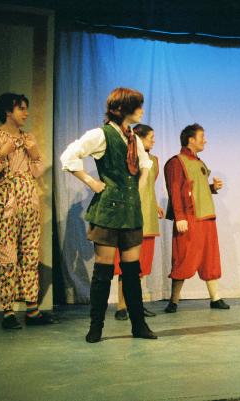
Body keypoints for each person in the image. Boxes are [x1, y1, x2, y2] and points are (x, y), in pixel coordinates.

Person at [60, 87, 157, 342]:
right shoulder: (102, 135)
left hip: (130, 212)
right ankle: (96, 327)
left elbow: (145, 165)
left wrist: (138, 190)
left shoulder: (133, 138)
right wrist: (91, 182)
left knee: (131, 271)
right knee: (103, 272)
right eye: (137, 106)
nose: (141, 110)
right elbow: (69, 156)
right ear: (122, 109)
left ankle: (139, 325)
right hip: (108, 211)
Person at [0, 93, 57, 329]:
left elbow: (37, 172)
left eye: (26, 108)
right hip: (4, 203)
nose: (26, 113)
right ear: (7, 111)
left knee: (30, 253)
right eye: (21, 108)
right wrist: (2, 153)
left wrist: (34, 154)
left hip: (28, 201)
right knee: (6, 255)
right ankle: (8, 312)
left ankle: (32, 310)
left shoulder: (28, 137)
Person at [163, 123, 230, 313]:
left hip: (207, 217)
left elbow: (196, 190)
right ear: (191, 139)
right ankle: (174, 301)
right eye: (202, 137)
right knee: (183, 257)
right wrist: (179, 217)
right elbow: (175, 191)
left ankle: (215, 298)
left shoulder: (200, 162)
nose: (205, 140)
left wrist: (212, 188)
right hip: (189, 217)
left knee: (210, 258)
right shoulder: (176, 162)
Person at [113, 124, 163, 320]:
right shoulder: (127, 158)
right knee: (126, 263)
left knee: (141, 265)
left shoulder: (154, 160)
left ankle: (136, 305)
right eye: (151, 138)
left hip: (148, 216)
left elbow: (148, 186)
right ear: (139, 139)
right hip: (130, 215)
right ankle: (121, 306)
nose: (154, 141)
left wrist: (155, 204)